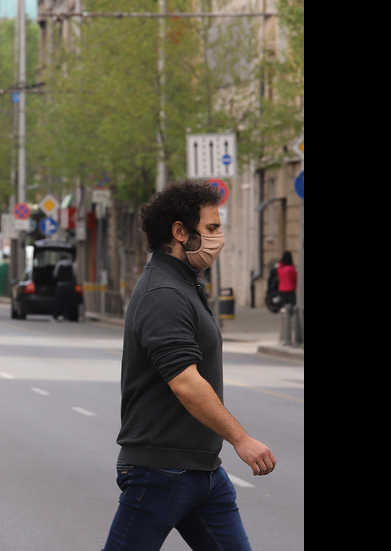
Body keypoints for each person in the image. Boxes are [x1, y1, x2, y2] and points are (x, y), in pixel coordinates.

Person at [102, 181, 277, 551]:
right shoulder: (163, 294)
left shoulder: (183, 284)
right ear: (180, 232)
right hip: (161, 470)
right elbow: (184, 381)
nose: (219, 238)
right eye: (211, 228)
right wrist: (241, 439)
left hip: (202, 471)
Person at [51, 255, 76, 321]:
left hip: (60, 285)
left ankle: (55, 316)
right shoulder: (70, 264)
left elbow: (55, 274)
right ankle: (66, 316)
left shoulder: (59, 264)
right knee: (67, 302)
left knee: (58, 302)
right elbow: (74, 274)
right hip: (68, 285)